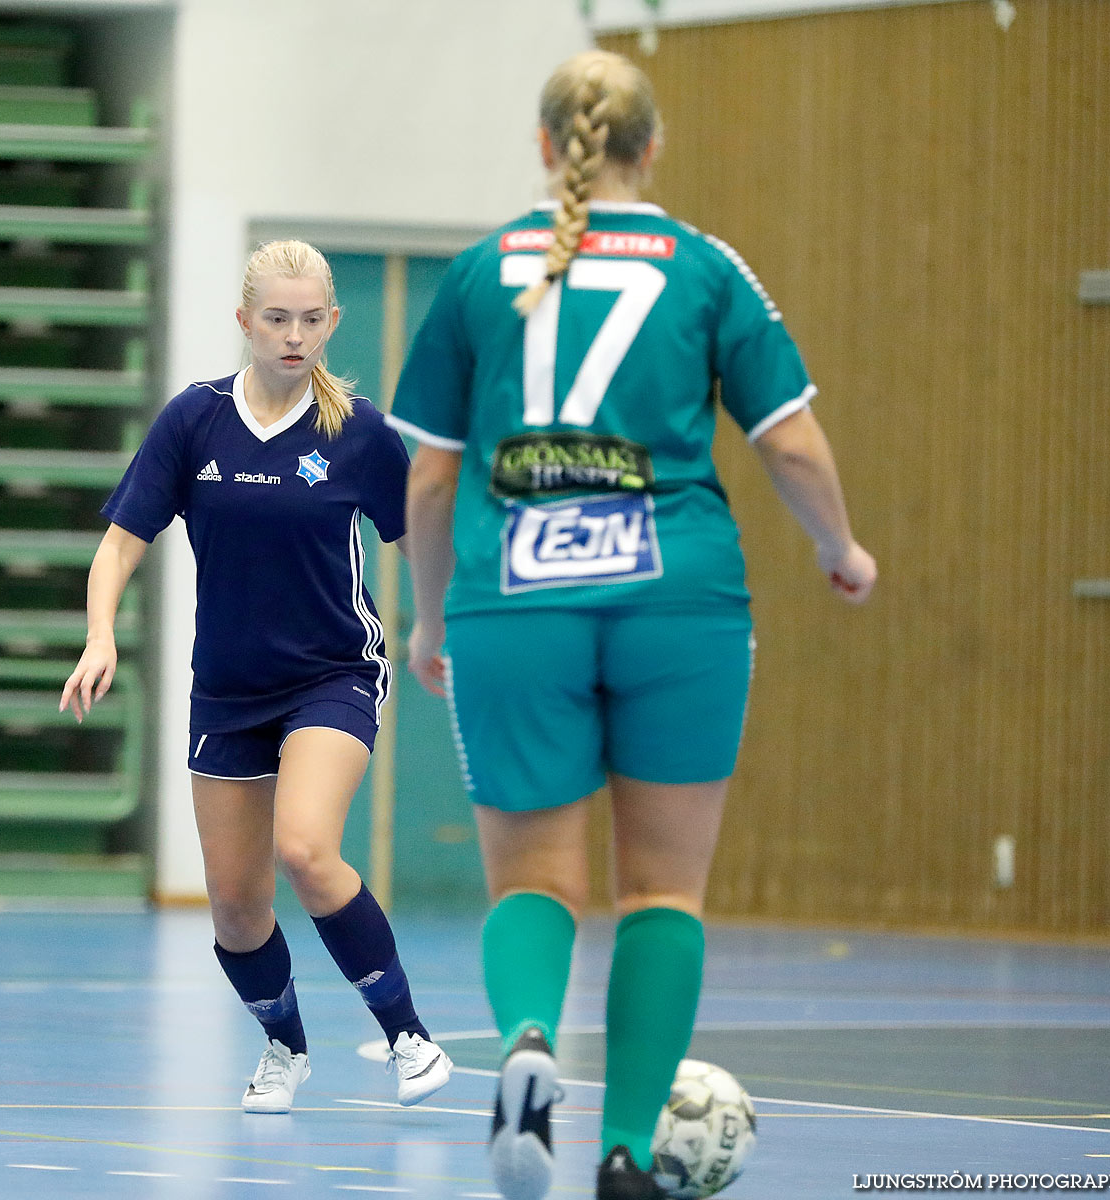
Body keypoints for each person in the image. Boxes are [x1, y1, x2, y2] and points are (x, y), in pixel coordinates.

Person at [389, 51, 876, 1200]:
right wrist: (838, 550)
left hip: (514, 599)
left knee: (533, 884)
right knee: (662, 893)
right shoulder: (706, 268)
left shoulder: (474, 276)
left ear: (546, 150)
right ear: (648, 149)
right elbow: (792, 444)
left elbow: (422, 483)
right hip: (679, 604)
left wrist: (426, 620)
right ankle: (622, 1152)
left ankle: (523, 1045)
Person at [61, 239, 453, 1114]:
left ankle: (407, 1035)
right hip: (228, 690)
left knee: (306, 849)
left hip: (332, 673)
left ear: (332, 324)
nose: (293, 335)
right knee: (237, 910)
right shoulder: (193, 421)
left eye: (312, 320)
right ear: (244, 321)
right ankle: (285, 1047)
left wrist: (442, 625)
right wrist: (100, 635)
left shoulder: (357, 430)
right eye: (276, 318)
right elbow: (122, 541)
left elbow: (417, 536)